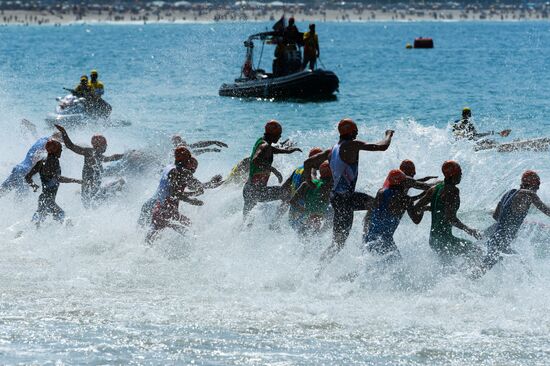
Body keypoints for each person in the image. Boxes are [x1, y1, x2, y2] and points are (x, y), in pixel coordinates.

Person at [303, 118, 394, 266]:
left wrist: (309, 181)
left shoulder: (331, 150)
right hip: (346, 198)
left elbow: (307, 163)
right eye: (356, 130)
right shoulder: (352, 145)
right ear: (351, 132)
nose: (357, 133)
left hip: (337, 198)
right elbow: (381, 147)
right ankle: (367, 238)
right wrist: (389, 134)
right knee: (377, 203)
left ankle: (317, 271)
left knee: (337, 243)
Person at [474, 171, 550, 276]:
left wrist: (511, 220)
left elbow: (496, 216)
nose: (538, 189)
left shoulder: (509, 193)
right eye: (537, 186)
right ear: (534, 184)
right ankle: (463, 283)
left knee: (522, 266)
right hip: (501, 241)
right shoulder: (529, 194)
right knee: (482, 270)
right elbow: (546, 211)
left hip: (496, 238)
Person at [145, 147, 223, 243]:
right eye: (193, 169)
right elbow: (174, 193)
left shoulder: (169, 168)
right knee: (192, 231)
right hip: (167, 213)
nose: (192, 172)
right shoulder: (182, 173)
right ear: (188, 161)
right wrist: (192, 200)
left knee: (149, 242)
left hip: (158, 209)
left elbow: (177, 191)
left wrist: (197, 192)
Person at [413, 160, 482, 260]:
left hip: (433, 240)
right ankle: (472, 276)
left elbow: (417, 207)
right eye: (459, 173)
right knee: (476, 251)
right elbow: (450, 218)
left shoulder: (434, 188)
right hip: (445, 240)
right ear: (452, 175)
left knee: (448, 269)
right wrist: (469, 230)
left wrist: (430, 208)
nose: (461, 175)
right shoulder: (452, 191)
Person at [55, 125, 125, 208]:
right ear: (101, 146)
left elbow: (109, 158)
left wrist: (125, 155)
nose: (106, 146)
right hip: (90, 196)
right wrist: (63, 132)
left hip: (93, 193)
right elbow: (71, 146)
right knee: (119, 187)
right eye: (105, 145)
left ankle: (78, 193)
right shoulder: (89, 153)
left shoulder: (98, 155)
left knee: (119, 183)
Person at [243, 120, 301, 218]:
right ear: (272, 134)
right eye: (278, 134)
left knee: (246, 223)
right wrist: (273, 170)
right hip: (257, 192)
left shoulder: (262, 142)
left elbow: (271, 150)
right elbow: (255, 160)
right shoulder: (264, 145)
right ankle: (275, 223)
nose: (280, 137)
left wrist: (288, 151)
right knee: (287, 194)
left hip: (249, 190)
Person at [364, 169, 425, 261]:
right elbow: (416, 220)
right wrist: (422, 208)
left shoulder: (380, 192)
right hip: (384, 242)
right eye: (405, 181)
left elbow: (374, 211)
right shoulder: (405, 200)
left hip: (369, 238)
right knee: (398, 269)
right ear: (401, 183)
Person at [25, 140, 82, 227]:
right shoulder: (53, 161)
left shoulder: (42, 161)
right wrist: (76, 181)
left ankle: (22, 236)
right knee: (64, 220)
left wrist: (33, 186)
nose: (61, 151)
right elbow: (58, 178)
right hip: (48, 201)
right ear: (55, 150)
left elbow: (28, 177)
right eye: (60, 149)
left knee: (36, 224)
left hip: (44, 199)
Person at [0, 132, 62, 198]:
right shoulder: (47, 143)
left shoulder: (42, 140)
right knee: (19, 202)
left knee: (2, 192)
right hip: (24, 173)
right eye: (60, 141)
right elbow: (36, 156)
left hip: (19, 169)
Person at [288, 161, 333, 234]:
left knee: (304, 234)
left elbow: (292, 201)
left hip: (306, 215)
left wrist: (304, 210)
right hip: (319, 216)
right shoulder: (330, 187)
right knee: (331, 217)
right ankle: (321, 234)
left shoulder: (306, 184)